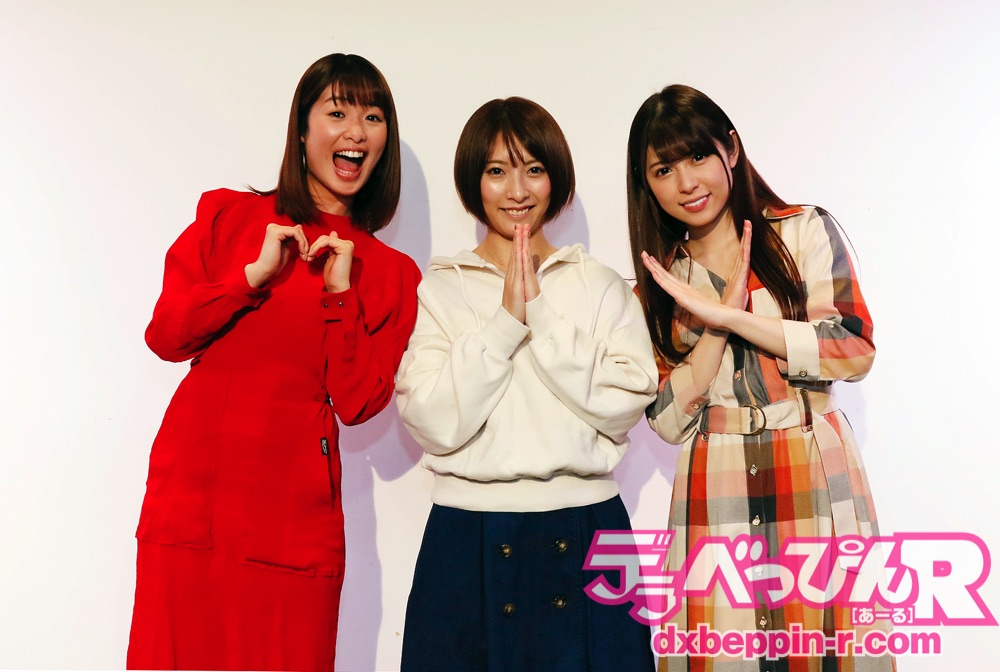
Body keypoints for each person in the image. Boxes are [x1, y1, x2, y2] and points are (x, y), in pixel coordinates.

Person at [127, 53, 420, 671]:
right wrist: (249, 279)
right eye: (337, 112)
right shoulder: (228, 215)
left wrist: (339, 295)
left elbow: (359, 403)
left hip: (293, 523)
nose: (356, 131)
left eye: (372, 117)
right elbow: (166, 335)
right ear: (302, 129)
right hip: (193, 506)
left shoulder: (390, 273)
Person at [627, 84, 894, 671]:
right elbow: (667, 421)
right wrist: (714, 328)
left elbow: (853, 350)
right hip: (715, 471)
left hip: (812, 458)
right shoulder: (663, 281)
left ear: (731, 148)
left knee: (827, 649)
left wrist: (736, 318)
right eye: (664, 170)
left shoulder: (801, 231)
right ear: (646, 184)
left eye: (698, 156)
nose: (686, 182)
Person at [395, 97, 658, 671]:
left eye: (534, 169)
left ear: (555, 178)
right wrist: (504, 323)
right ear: (474, 181)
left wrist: (539, 312)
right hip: (465, 534)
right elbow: (430, 421)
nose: (517, 190)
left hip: (588, 523)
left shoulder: (598, 283)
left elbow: (629, 399)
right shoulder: (443, 288)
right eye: (497, 170)